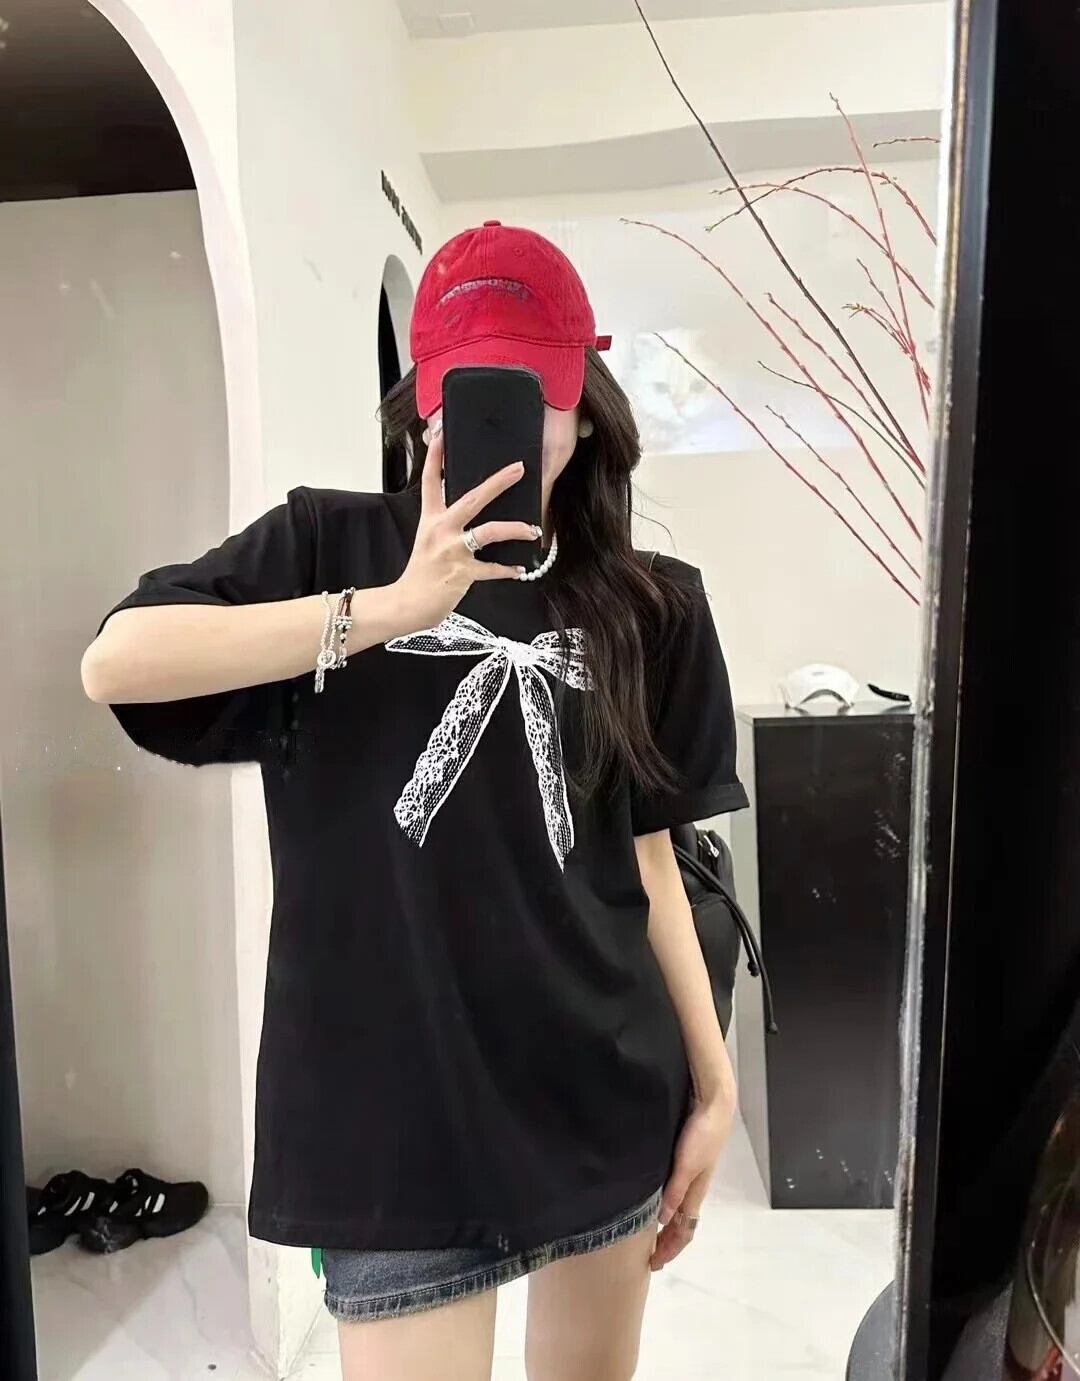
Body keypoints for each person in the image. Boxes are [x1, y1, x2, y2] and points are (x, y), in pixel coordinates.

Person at [81, 221, 748, 1381]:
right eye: (462, 394)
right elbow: (117, 663)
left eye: (528, 391)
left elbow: (651, 863)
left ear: (584, 408)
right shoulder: (325, 545)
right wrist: (389, 609)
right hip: (393, 1120)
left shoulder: (657, 606)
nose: (494, 426)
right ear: (424, 408)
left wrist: (716, 1085)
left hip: (602, 1091)